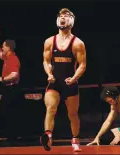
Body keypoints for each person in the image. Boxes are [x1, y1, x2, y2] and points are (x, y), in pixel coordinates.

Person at [40, 8, 86, 152]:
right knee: (51, 107)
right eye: (60, 16)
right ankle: (48, 136)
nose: (62, 18)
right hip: (54, 82)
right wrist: (49, 73)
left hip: (70, 83)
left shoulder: (78, 43)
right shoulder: (49, 41)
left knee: (72, 114)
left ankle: (75, 139)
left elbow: (82, 65)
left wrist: (74, 78)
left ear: (71, 20)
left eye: (66, 16)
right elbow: (46, 61)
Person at [0, 28, 21, 141]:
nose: (2, 48)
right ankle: (10, 134)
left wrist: (2, 79)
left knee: (10, 112)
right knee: (5, 111)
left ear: (8, 48)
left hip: (12, 89)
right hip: (7, 88)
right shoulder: (7, 57)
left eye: (4, 46)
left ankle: (12, 136)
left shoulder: (13, 59)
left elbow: (15, 75)